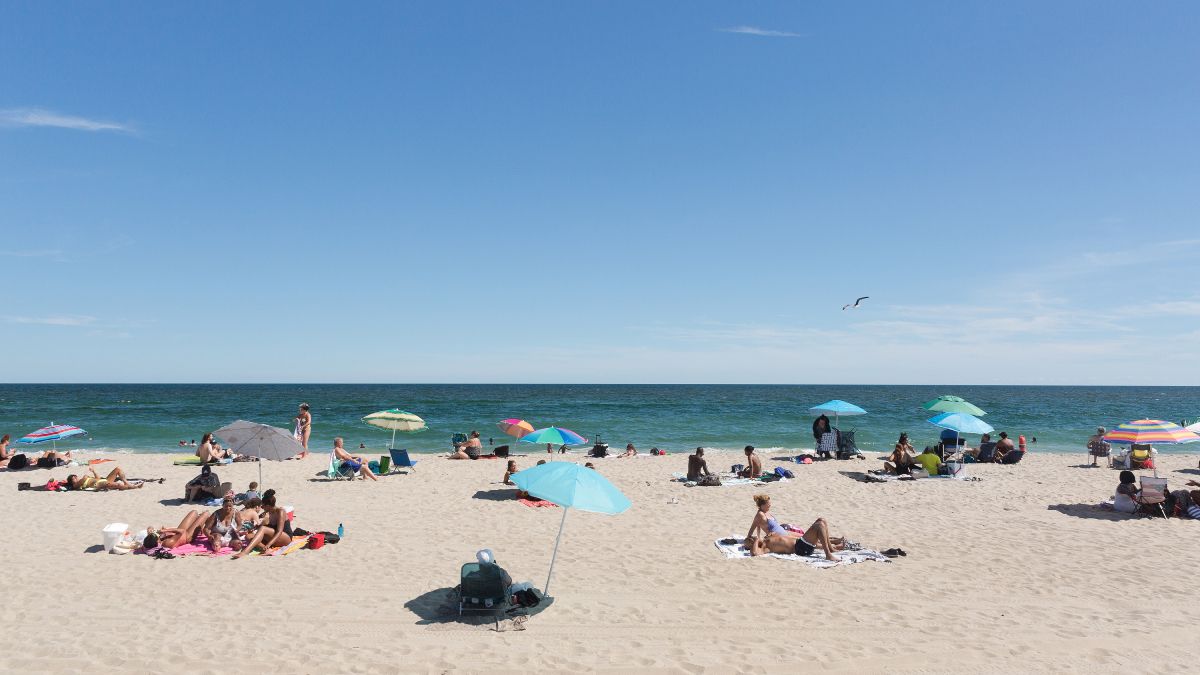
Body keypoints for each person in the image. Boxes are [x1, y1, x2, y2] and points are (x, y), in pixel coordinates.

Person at [745, 494, 844, 562]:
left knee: (821, 520)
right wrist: (756, 540)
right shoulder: (764, 547)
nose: (753, 538)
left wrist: (760, 537)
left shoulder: (768, 537)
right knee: (819, 525)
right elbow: (754, 553)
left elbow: (760, 530)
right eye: (751, 540)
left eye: (752, 538)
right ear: (753, 544)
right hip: (800, 548)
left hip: (800, 543)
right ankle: (828, 554)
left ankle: (831, 548)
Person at [232, 489, 292, 559]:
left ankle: (245, 551)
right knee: (248, 536)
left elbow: (279, 531)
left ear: (268, 505)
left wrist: (269, 544)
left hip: (286, 538)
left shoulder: (280, 511)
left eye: (263, 506)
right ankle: (266, 549)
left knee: (263, 529)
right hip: (276, 537)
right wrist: (256, 527)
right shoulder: (269, 512)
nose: (262, 508)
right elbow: (270, 528)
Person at [65, 465, 143, 491]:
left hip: (102, 480)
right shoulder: (76, 485)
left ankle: (127, 483)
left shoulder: (83, 479)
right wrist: (85, 476)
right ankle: (133, 486)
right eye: (74, 478)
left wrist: (94, 471)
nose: (76, 477)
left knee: (118, 469)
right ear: (72, 482)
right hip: (99, 484)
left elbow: (98, 477)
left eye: (75, 476)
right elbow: (84, 478)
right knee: (118, 484)